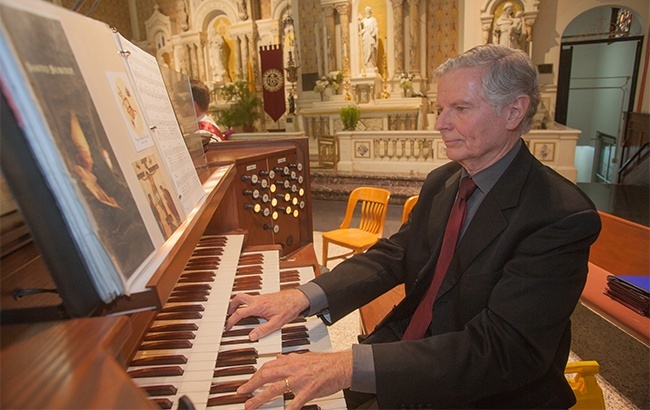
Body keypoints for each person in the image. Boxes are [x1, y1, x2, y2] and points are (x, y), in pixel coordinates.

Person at [225, 44, 601, 409]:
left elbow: (503, 350)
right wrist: (305, 296)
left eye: (460, 108)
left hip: (482, 392)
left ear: (514, 111)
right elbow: (396, 254)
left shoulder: (559, 215)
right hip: (407, 347)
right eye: (439, 109)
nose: (439, 124)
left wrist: (348, 366)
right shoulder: (445, 180)